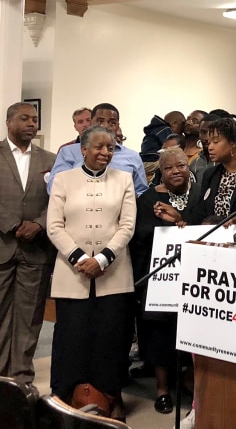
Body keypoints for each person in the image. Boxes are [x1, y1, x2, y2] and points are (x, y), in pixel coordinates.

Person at [47, 126, 137, 422]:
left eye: (110, 148)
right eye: (98, 147)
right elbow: (54, 226)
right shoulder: (63, 179)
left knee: (110, 339)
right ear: (82, 149)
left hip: (113, 273)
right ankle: (64, 398)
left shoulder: (124, 179)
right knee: (71, 337)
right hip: (72, 274)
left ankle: (109, 398)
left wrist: (102, 258)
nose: (105, 153)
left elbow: (127, 226)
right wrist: (80, 258)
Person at [0, 101, 56, 385]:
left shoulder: (51, 160)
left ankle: (21, 380)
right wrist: (14, 225)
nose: (32, 123)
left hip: (35, 249)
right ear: (9, 122)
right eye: (25, 118)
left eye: (35, 119)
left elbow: (59, 199)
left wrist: (39, 224)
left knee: (29, 320)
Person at [130, 147, 200, 415]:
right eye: (169, 168)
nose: (176, 171)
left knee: (191, 332)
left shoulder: (199, 194)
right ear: (161, 170)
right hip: (159, 280)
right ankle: (162, 390)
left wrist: (182, 220)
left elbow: (206, 223)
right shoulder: (149, 199)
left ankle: (190, 381)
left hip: (193, 278)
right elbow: (141, 235)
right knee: (160, 335)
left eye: (181, 165)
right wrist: (169, 227)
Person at [47, 103, 148, 197]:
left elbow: (142, 192)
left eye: (112, 123)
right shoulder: (68, 152)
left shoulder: (132, 156)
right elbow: (53, 188)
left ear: (118, 126)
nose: (105, 126)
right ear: (91, 123)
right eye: (100, 121)